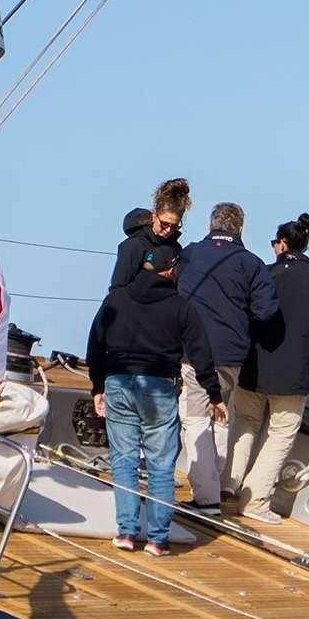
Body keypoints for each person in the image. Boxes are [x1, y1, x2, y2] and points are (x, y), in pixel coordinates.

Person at [85, 235, 213, 557]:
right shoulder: (182, 306)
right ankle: (157, 539)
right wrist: (215, 392)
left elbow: (95, 344)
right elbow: (200, 351)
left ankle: (126, 533)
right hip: (158, 386)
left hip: (118, 383)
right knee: (160, 466)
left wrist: (98, 385)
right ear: (171, 270)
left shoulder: (116, 299)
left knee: (124, 461)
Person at [232, 212, 309, 524]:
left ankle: (225, 485)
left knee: (243, 423)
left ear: (281, 245)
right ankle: (254, 501)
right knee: (280, 434)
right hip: (294, 372)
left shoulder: (264, 273)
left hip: (253, 366)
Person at [177, 202, 281, 510]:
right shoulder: (252, 263)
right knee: (221, 418)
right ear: (241, 228)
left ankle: (205, 497)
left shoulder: (190, 254)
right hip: (233, 355)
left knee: (194, 420)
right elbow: (266, 311)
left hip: (192, 351)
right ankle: (218, 485)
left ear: (211, 225)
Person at [108, 177, 191, 290]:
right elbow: (117, 289)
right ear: (154, 215)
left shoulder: (176, 249)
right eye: (165, 224)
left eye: (174, 226)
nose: (168, 230)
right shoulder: (134, 246)